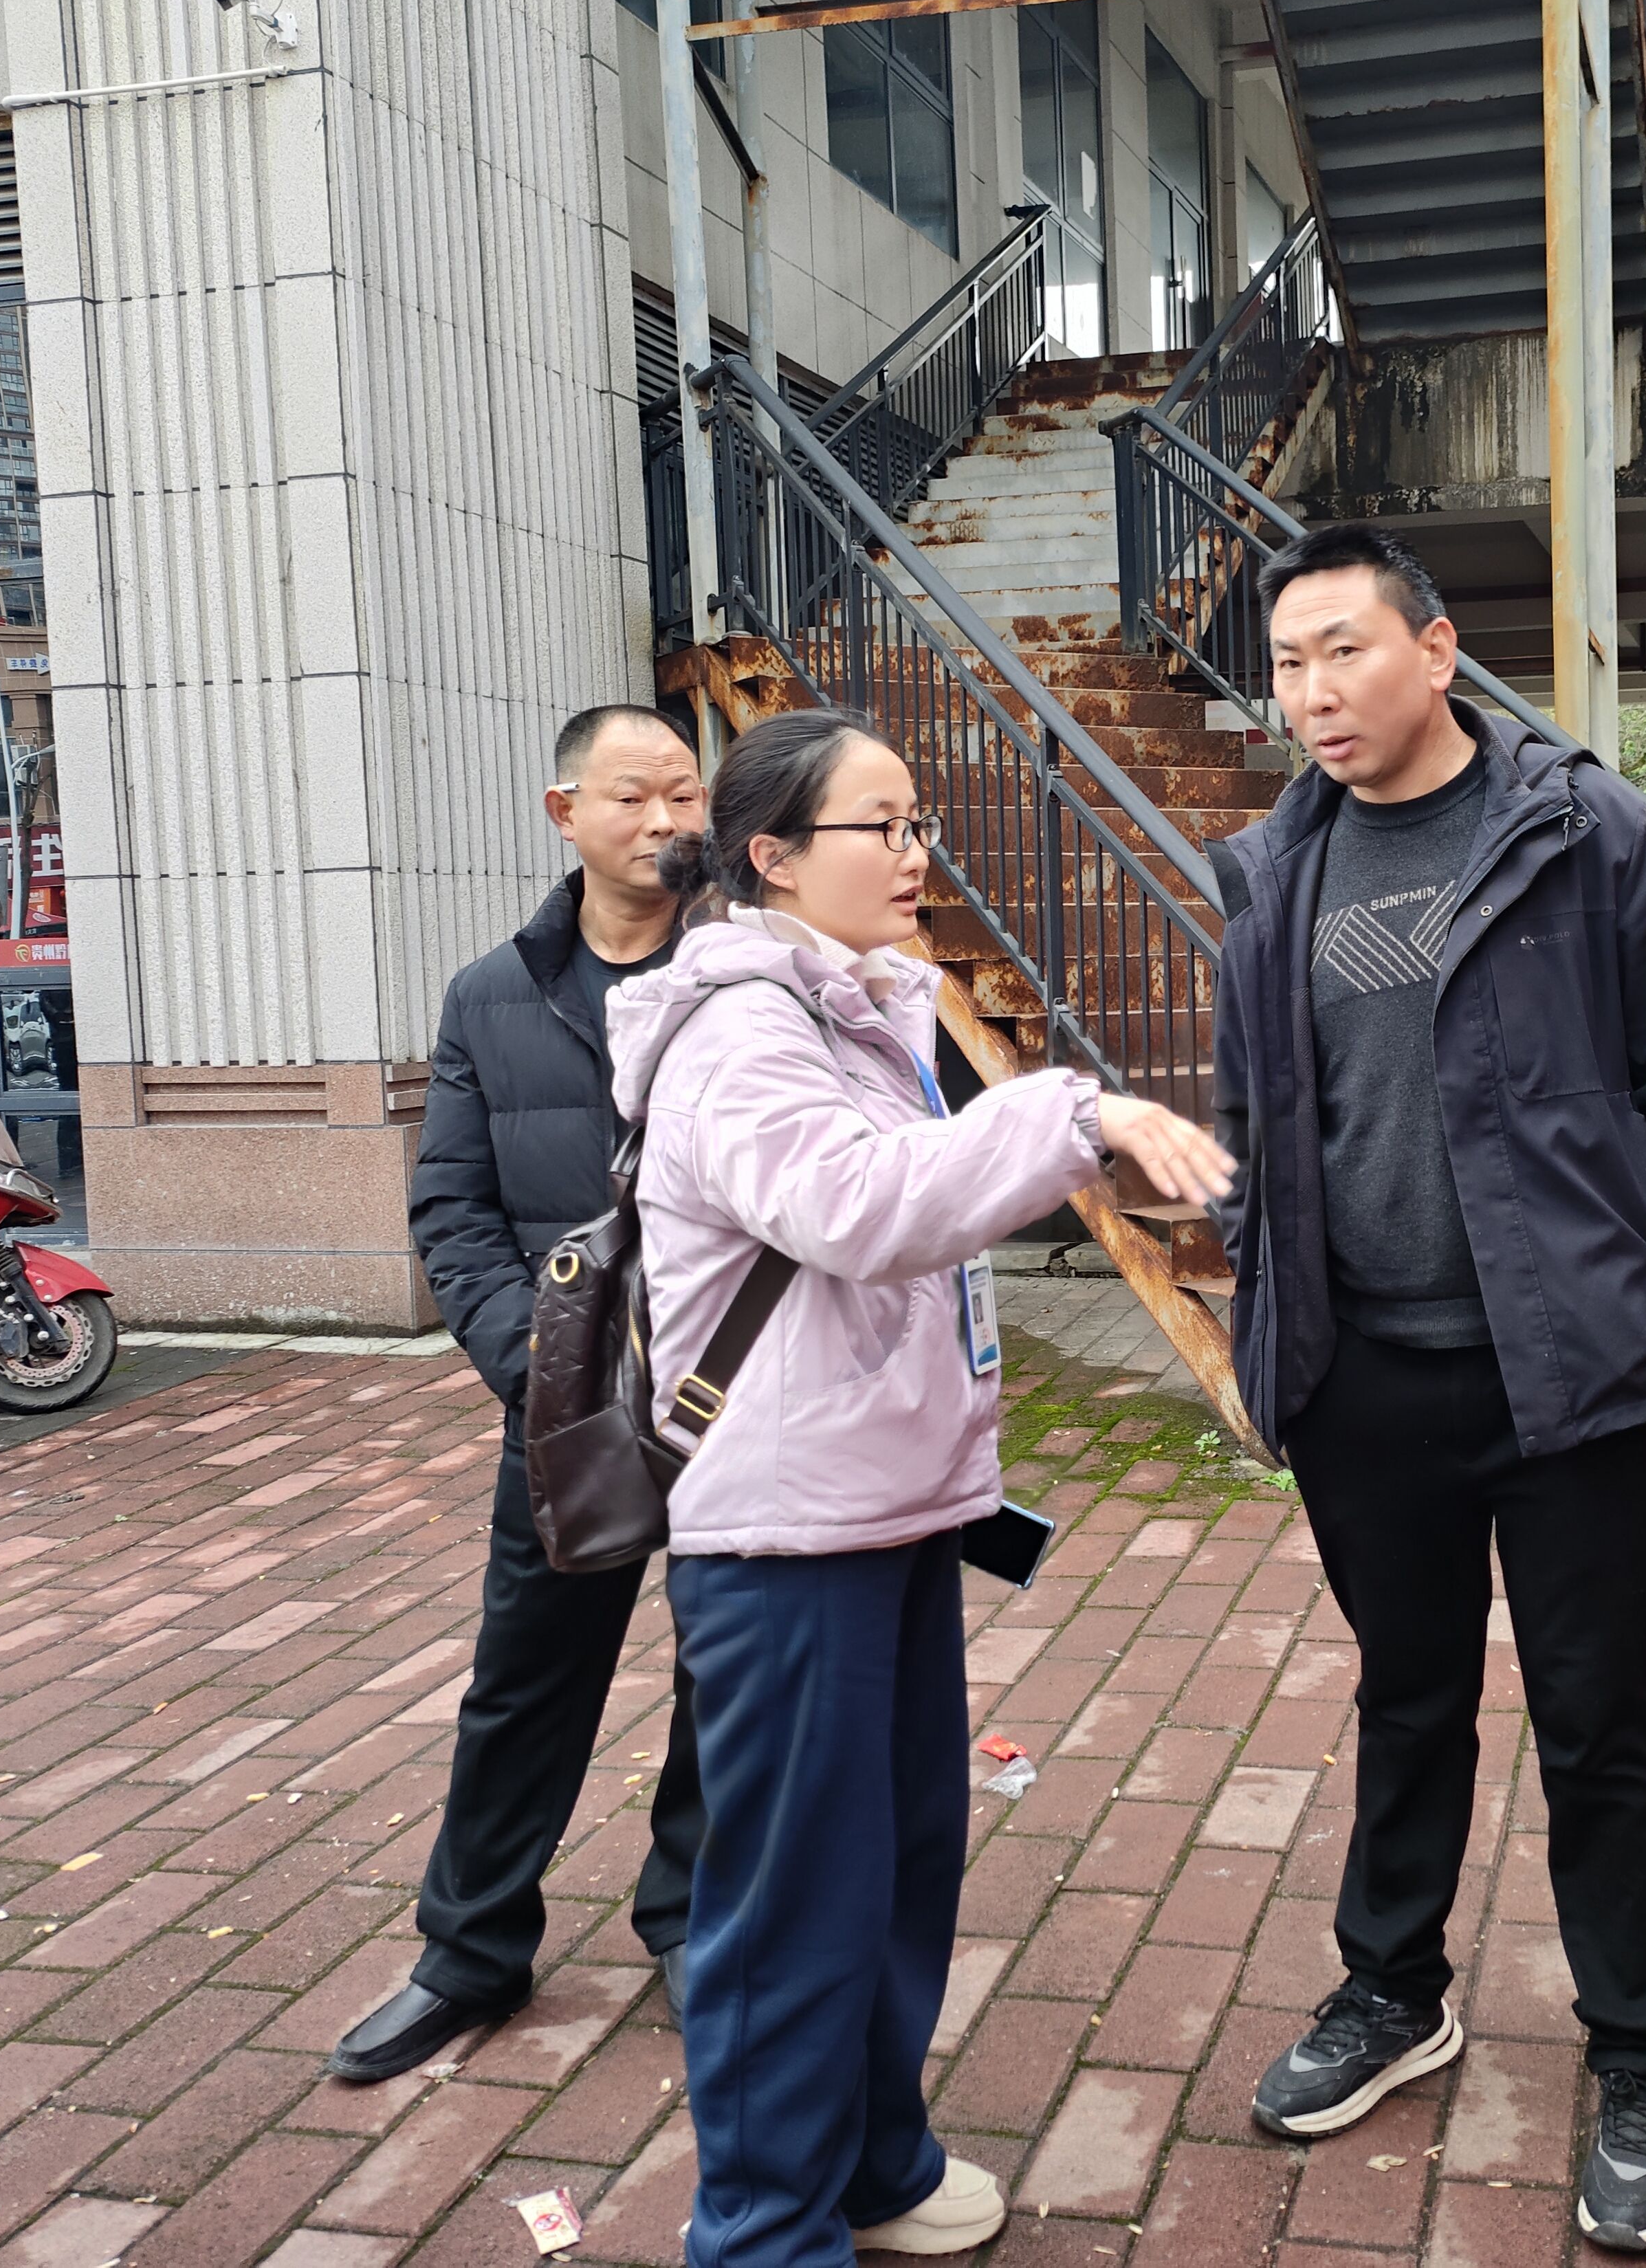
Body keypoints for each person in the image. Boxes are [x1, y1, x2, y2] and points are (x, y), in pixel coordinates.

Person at [1206, 524, 1646, 2254]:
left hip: (1565, 1371)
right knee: (1407, 1698)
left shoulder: (1577, 829)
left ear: (1434, 649)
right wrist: (1266, 1316)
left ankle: (1639, 2054)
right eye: (1288, 665)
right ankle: (1393, 1990)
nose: (1311, 694)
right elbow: (1261, 1117)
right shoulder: (1273, 868)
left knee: (1598, 1717)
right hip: (1360, 1373)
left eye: (1341, 651)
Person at [611, 707, 1231, 2265]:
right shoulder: (740, 1029)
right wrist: (1071, 1112)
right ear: (771, 855)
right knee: (793, 1905)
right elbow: (859, 1206)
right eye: (879, 828)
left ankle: (873, 2163)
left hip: (881, 1504)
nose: (913, 856)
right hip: (785, 1532)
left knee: (894, 1865)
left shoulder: (850, 1007)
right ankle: (764, 2232)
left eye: (916, 825)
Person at [330, 705, 714, 2081]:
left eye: (685, 792)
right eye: (634, 795)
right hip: (568, 1411)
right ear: (565, 812)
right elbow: (452, 1206)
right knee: (523, 1683)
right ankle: (471, 1951)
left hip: (735, 1393)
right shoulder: (490, 993)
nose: (666, 820)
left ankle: (693, 1921)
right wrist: (538, 1364)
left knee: (724, 1676)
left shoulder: (750, 969)